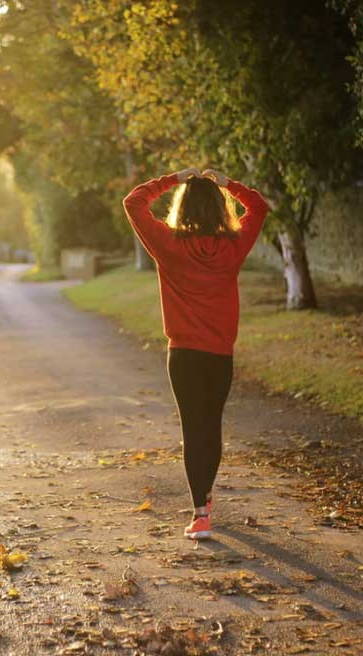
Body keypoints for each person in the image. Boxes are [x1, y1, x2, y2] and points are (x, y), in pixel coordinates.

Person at [122, 167, 270, 540]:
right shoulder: (234, 246)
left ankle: (200, 513)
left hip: (184, 355)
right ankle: (205, 497)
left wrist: (173, 178)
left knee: (193, 429)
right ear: (220, 209)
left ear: (182, 207)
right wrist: (228, 184)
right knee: (211, 425)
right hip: (219, 354)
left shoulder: (168, 244)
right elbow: (259, 207)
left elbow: (134, 202)